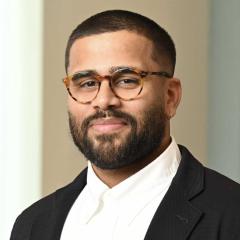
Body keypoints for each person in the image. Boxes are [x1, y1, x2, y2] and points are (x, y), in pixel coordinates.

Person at [10, 10, 240, 240]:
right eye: (88, 83)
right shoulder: (32, 225)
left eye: (127, 80)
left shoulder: (232, 215)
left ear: (170, 96)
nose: (103, 100)